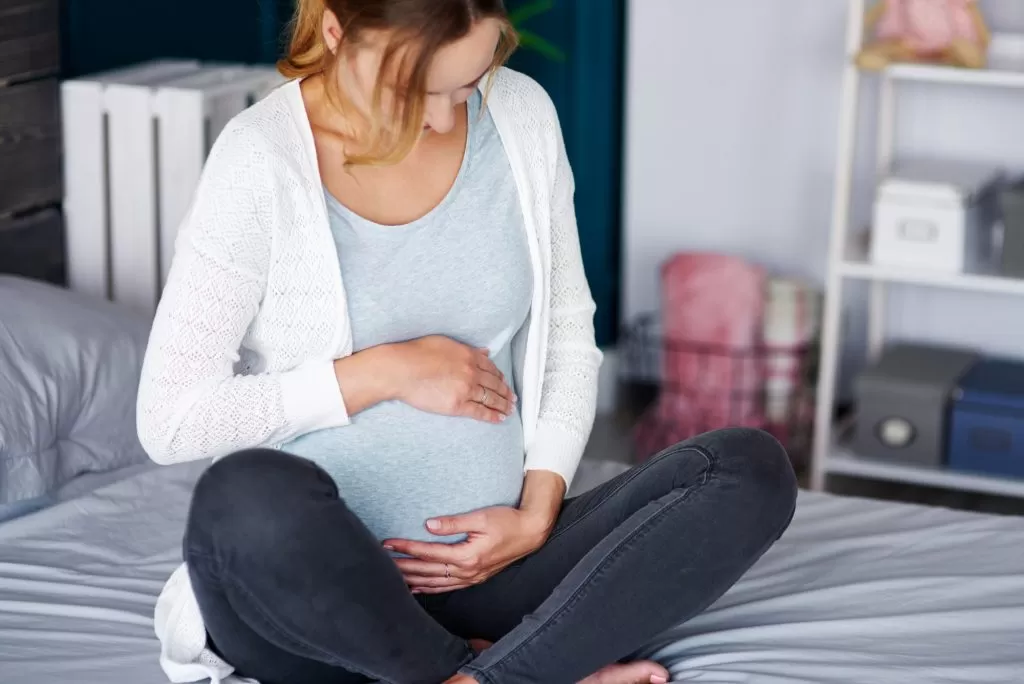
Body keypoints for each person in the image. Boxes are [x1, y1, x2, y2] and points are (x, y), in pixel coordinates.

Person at [136, 1, 798, 682]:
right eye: (414, 91)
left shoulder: (519, 115)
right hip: (316, 612)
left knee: (747, 468)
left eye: (463, 84)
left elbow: (570, 333)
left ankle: (478, 673)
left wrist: (537, 512)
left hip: (496, 578)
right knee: (243, 498)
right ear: (336, 32)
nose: (446, 116)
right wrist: (382, 372)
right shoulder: (259, 159)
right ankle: (500, 670)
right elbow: (172, 419)